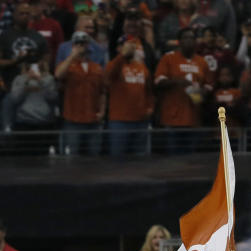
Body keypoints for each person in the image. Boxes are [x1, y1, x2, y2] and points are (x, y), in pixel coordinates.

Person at [154, 27, 210, 154]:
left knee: (190, 162)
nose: (189, 41)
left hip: (193, 119)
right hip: (172, 118)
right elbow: (158, 82)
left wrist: (202, 92)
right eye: (185, 38)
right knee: (173, 161)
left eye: (192, 38)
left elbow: (208, 85)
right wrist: (178, 81)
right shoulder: (168, 58)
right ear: (179, 41)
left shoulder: (202, 62)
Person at [105, 23, 153, 157]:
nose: (131, 47)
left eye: (133, 45)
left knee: (139, 161)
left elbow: (149, 90)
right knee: (118, 161)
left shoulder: (142, 68)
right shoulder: (114, 64)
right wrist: (122, 55)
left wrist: (150, 107)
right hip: (119, 121)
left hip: (141, 121)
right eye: (127, 45)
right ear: (119, 48)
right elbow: (108, 76)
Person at [55, 31, 104, 156]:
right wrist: (72, 56)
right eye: (78, 43)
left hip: (93, 119)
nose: (81, 46)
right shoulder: (68, 66)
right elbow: (58, 75)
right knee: (72, 156)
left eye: (84, 43)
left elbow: (102, 91)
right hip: (73, 120)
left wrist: (102, 111)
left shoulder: (97, 68)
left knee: (94, 157)